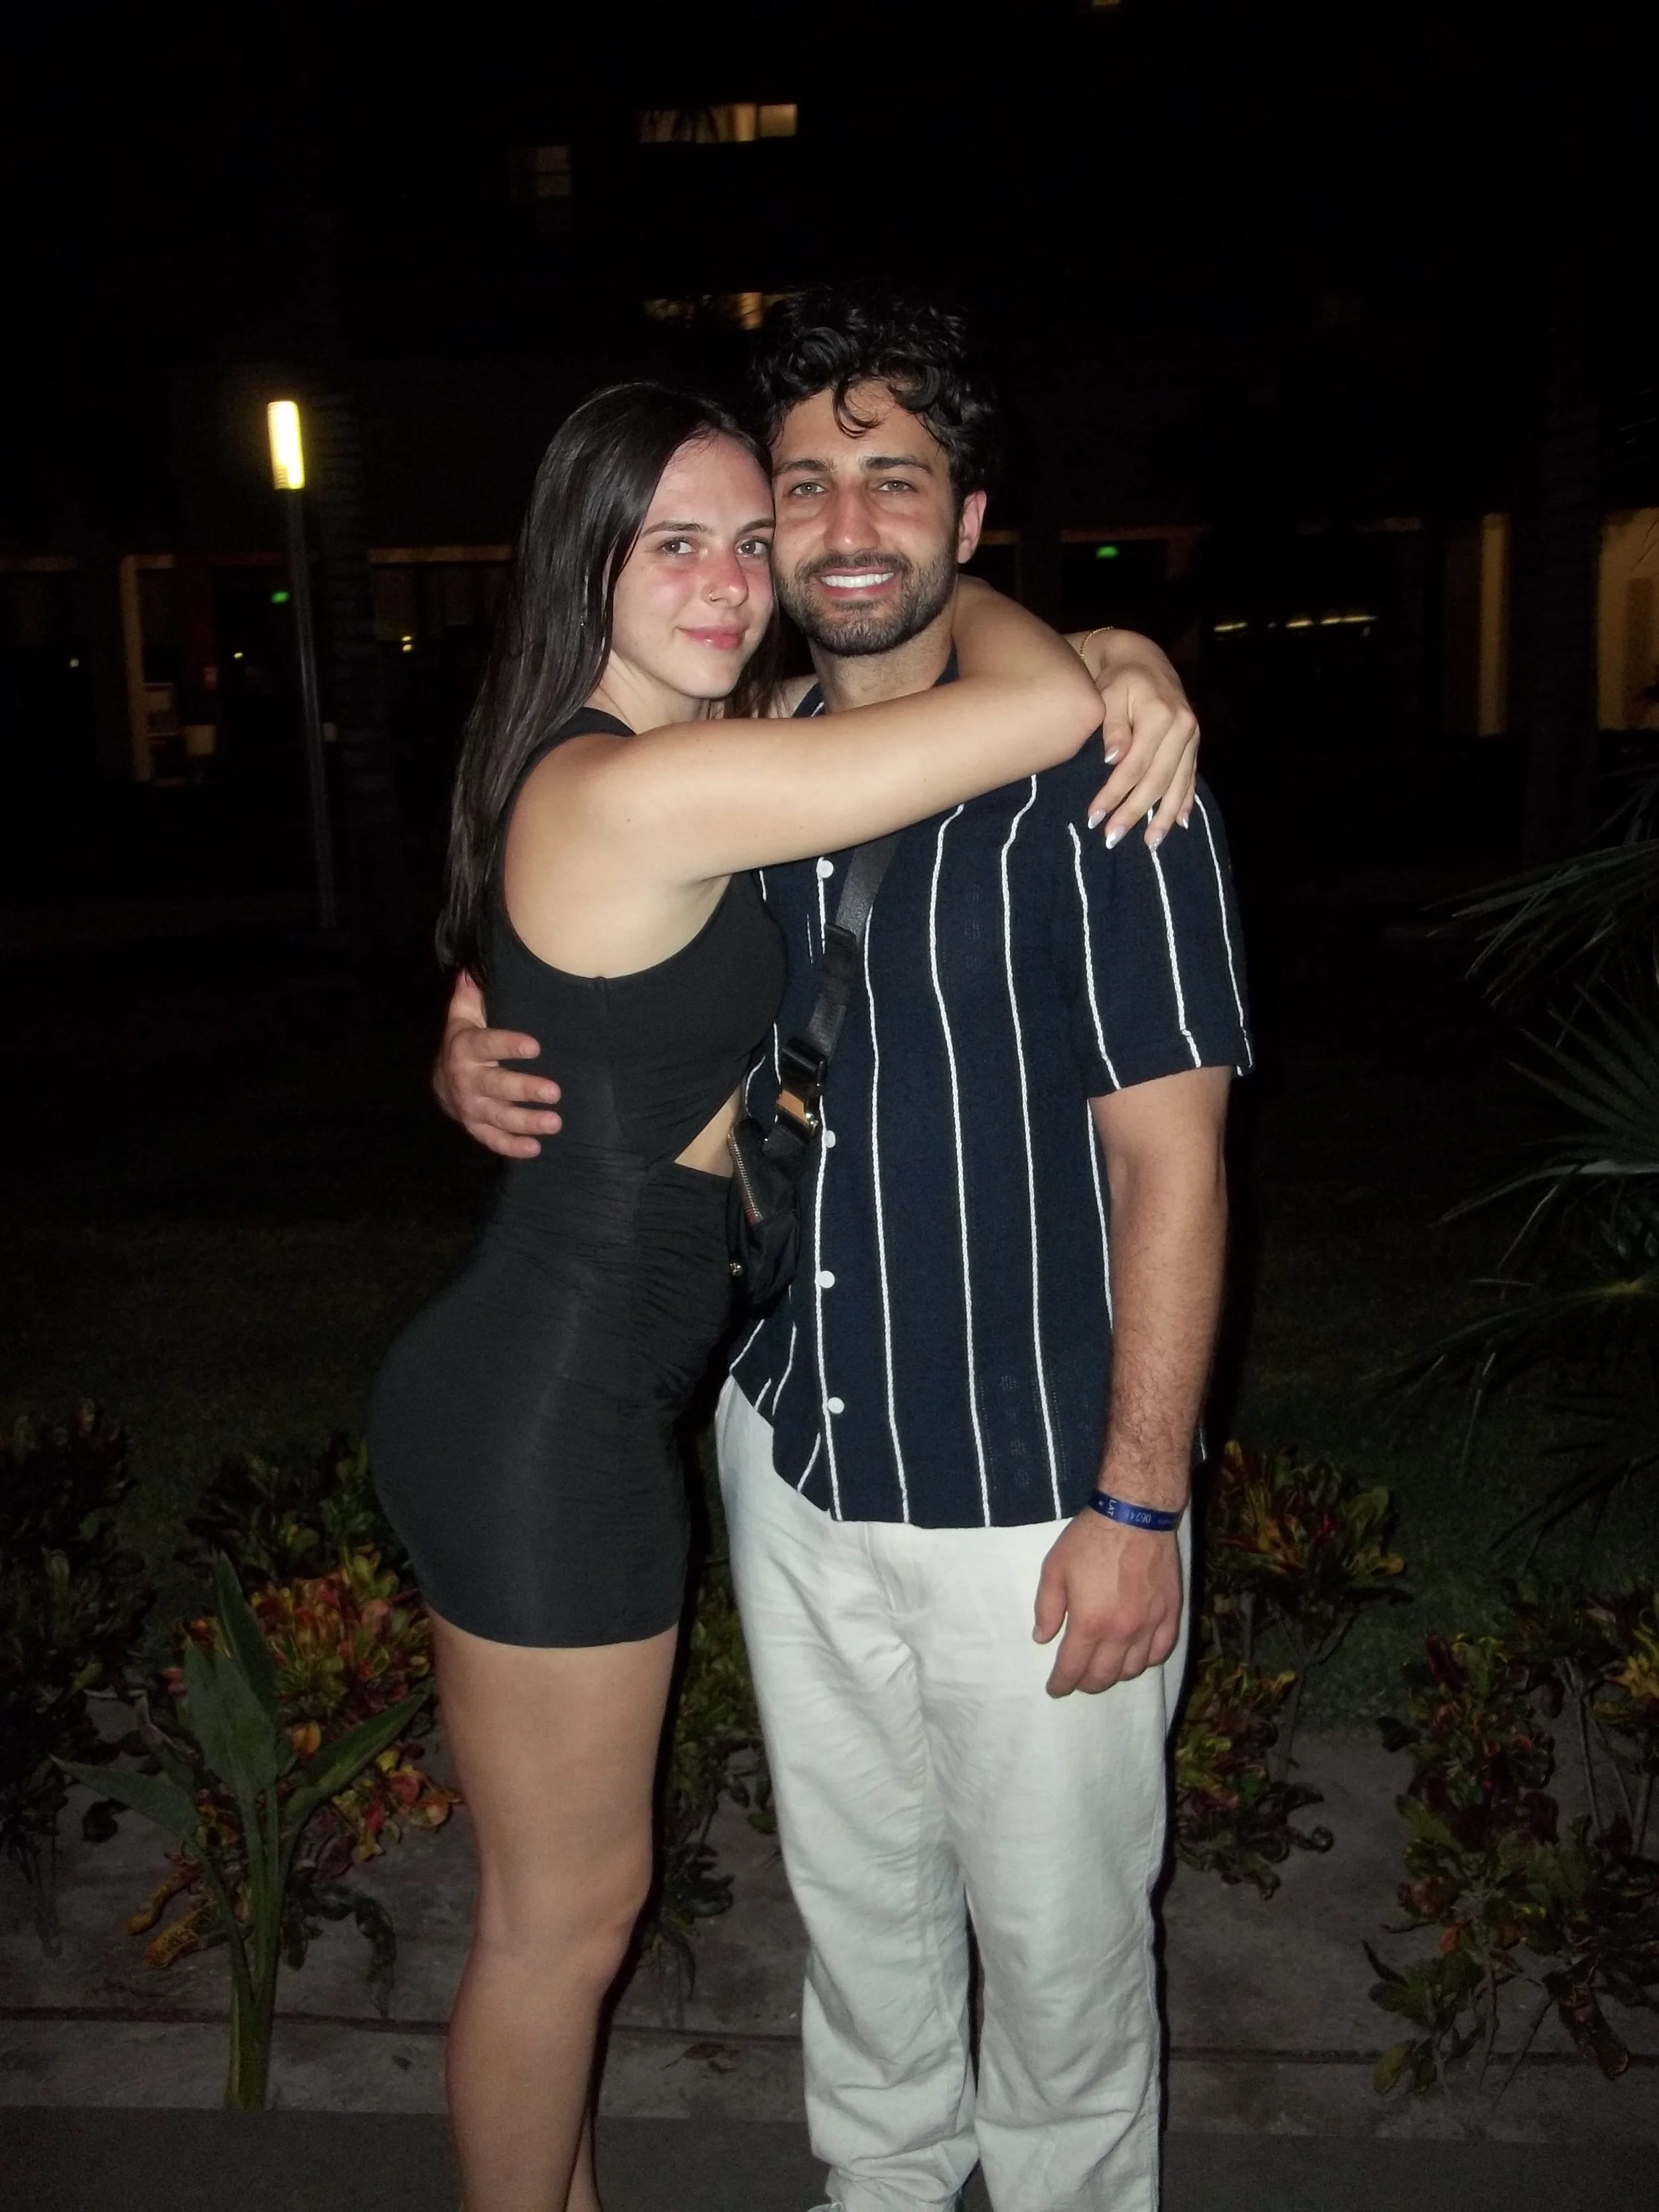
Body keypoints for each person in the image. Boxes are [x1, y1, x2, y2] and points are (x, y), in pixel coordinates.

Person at [440, 292, 1250, 2212]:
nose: (841, 522)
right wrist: (468, 1036)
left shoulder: (1107, 794)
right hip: (786, 1450)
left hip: (1026, 1493)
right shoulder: (751, 761)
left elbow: (1177, 1165)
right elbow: (564, 934)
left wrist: (1139, 1498)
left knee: (1060, 1975)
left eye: (896, 479)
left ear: (972, 526)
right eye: (800, 484)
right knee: (862, 1944)